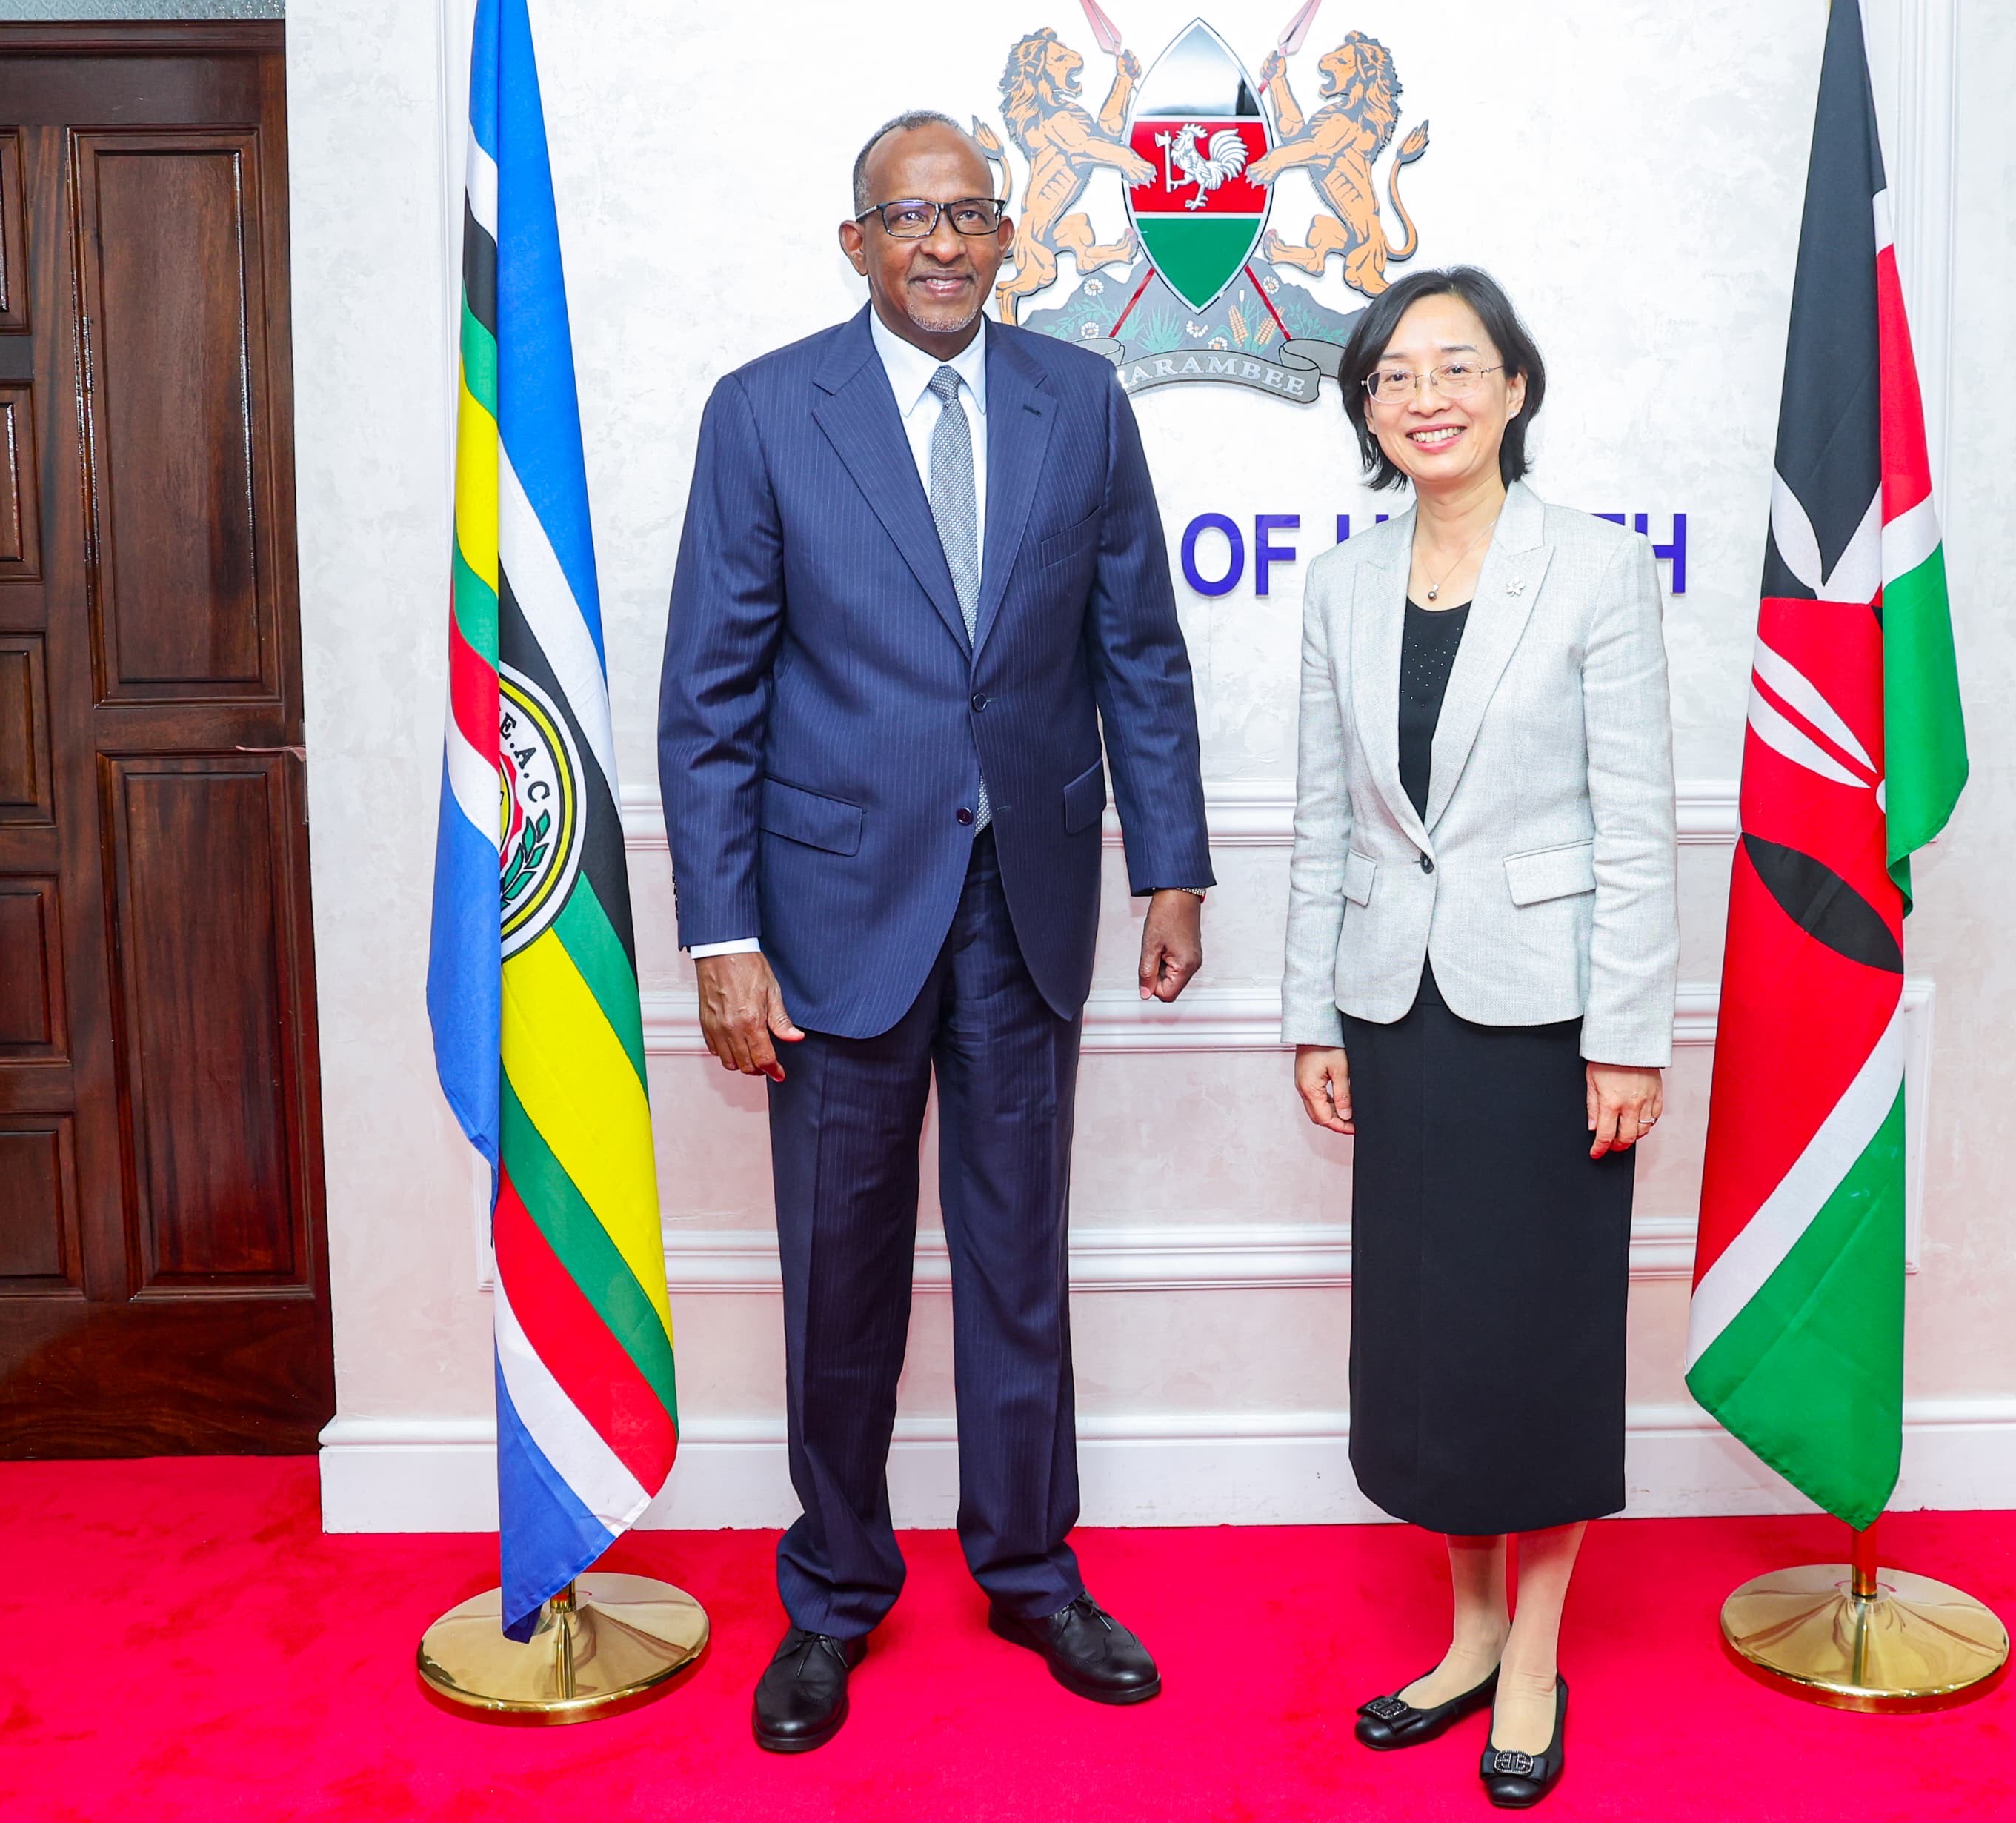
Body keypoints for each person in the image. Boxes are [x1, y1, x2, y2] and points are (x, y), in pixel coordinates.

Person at [659, 110, 1214, 1753]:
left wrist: (1169, 866)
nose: (946, 243)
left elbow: (1142, 649)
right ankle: (831, 1593)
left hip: (1024, 909)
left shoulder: (1082, 403)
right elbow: (708, 699)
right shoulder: (765, 414)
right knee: (839, 1278)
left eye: (973, 212)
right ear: (857, 244)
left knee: (1015, 1258)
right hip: (829, 919)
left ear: (1010, 233)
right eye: (911, 219)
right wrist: (721, 933)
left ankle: (1033, 1569)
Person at [1281, 268, 1675, 1809]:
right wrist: (1310, 1006)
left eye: (1458, 364)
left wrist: (1629, 1034)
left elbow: (1637, 826)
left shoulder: (1596, 573)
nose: (1424, 393)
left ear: (1515, 386)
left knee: (1539, 1339)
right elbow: (1327, 816)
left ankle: (1533, 1652)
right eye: (1393, 373)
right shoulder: (1341, 584)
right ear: (1368, 410)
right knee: (1435, 1346)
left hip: (1550, 1020)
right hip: (1398, 1015)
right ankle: (1462, 1633)